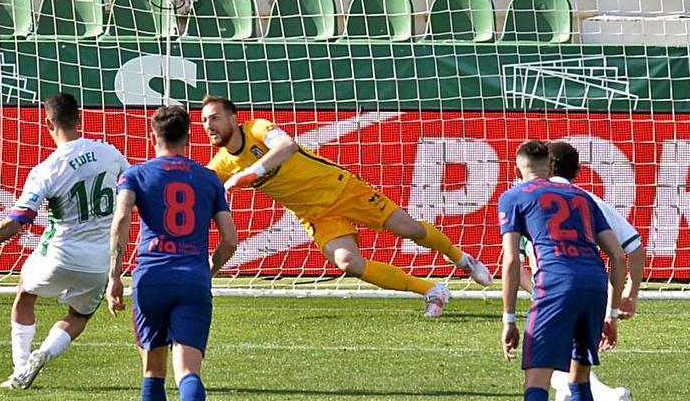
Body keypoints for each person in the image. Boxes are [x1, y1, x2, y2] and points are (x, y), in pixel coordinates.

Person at [199, 95, 490, 316]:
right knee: (349, 264)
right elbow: (200, 190)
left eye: (215, 118)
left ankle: (461, 258)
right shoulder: (221, 164)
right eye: (204, 121)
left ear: (235, 118)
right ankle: (431, 289)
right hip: (315, 215)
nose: (209, 126)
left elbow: (287, 147)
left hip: (342, 188)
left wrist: (251, 173)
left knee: (409, 229)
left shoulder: (259, 128)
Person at [0, 93, 128, 389]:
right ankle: (45, 353)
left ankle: (21, 367)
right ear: (79, 118)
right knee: (79, 315)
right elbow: (132, 191)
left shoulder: (46, 170)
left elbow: (15, 224)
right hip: (100, 261)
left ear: (47, 123)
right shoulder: (109, 152)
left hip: (60, 254)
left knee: (25, 293)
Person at [108, 105, 238, 401]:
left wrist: (114, 277)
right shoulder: (209, 178)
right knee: (188, 371)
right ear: (189, 137)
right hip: (193, 278)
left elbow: (121, 222)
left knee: (153, 371)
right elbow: (230, 240)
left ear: (153, 137)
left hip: (151, 278)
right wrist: (207, 269)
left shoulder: (134, 174)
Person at [499, 140, 626, 401]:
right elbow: (617, 255)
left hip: (555, 285)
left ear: (517, 168)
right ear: (550, 167)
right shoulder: (583, 197)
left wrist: (509, 318)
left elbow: (512, 261)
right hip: (593, 284)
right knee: (579, 377)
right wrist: (611, 312)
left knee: (536, 382)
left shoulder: (514, 196)